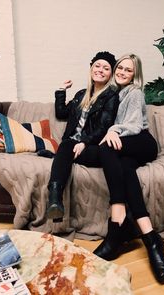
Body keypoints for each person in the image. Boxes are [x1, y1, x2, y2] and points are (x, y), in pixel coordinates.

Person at [93, 54, 164, 284]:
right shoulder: (113, 93)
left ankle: (117, 225)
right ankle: (150, 237)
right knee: (126, 168)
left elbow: (135, 125)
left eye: (128, 70)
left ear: (135, 75)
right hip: (128, 147)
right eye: (120, 68)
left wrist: (113, 131)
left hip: (142, 142)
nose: (123, 72)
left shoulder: (134, 92)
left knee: (107, 148)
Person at [46, 51, 119, 221]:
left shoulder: (111, 96)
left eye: (106, 68)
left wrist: (84, 142)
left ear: (111, 74)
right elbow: (61, 112)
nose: (100, 70)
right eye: (97, 66)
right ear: (91, 69)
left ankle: (56, 196)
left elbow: (104, 126)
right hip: (72, 145)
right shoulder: (81, 95)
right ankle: (55, 202)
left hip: (94, 147)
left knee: (65, 149)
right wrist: (61, 91)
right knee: (66, 145)